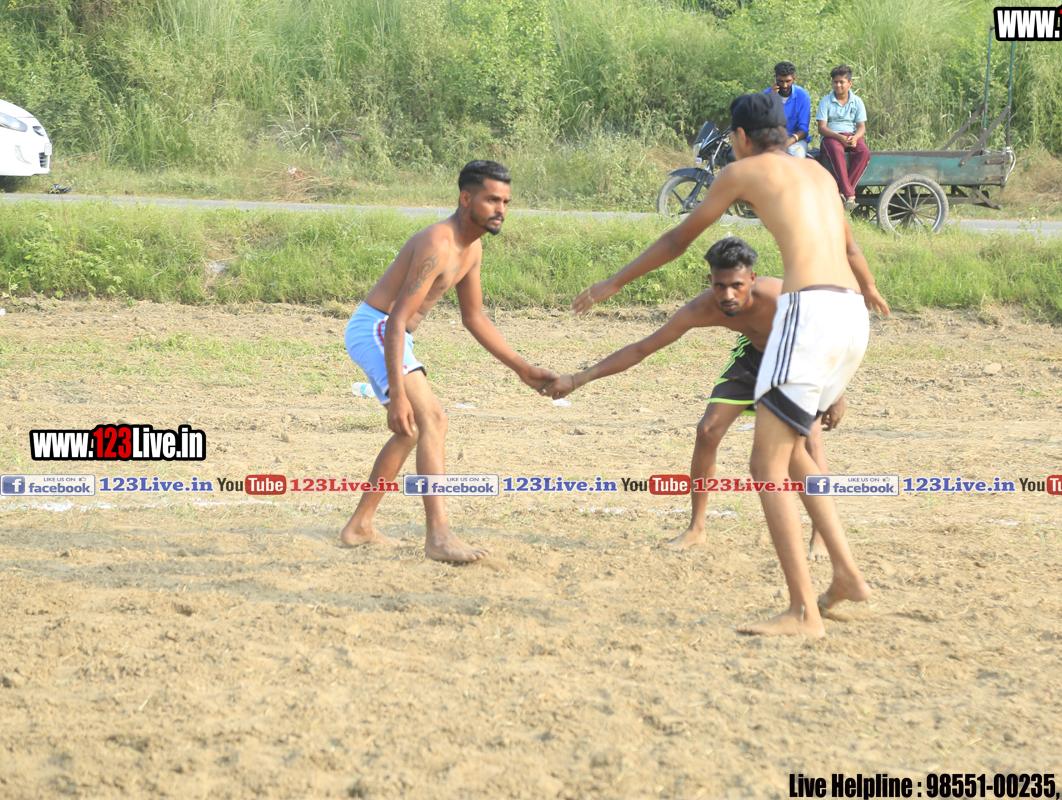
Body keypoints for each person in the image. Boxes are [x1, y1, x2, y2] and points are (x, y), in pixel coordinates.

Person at [572, 93, 889, 638]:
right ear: (785, 132)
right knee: (791, 454)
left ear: (740, 137)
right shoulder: (818, 171)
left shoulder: (742, 171)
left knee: (765, 466)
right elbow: (852, 248)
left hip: (808, 311)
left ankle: (803, 612)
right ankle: (846, 575)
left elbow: (678, 238)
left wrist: (614, 282)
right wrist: (872, 290)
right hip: (851, 312)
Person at [549, 236, 867, 557]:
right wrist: (577, 379)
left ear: (752, 278)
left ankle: (821, 534)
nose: (727, 295)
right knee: (708, 430)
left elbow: (834, 337)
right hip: (753, 359)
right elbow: (642, 349)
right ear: (710, 281)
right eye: (719, 286)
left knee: (810, 439)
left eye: (737, 285)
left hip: (799, 361)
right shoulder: (702, 308)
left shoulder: (783, 297)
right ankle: (697, 528)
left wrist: (837, 391)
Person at [341, 160, 557, 561]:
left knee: (412, 431)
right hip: (378, 328)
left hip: (390, 332)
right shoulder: (438, 244)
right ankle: (438, 536)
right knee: (433, 420)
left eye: (506, 202)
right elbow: (396, 320)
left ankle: (360, 526)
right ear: (466, 199)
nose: (501, 210)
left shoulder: (471, 248)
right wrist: (399, 395)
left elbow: (474, 318)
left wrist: (523, 369)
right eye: (492, 200)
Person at [816, 65, 870, 210]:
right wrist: (839, 137)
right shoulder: (826, 102)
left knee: (864, 152)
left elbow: (861, 127)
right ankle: (849, 194)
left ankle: (841, 192)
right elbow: (822, 128)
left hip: (851, 136)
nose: (838, 85)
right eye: (835, 82)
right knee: (836, 150)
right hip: (831, 137)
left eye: (842, 82)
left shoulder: (857, 101)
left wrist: (855, 137)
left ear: (849, 83)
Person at [764, 61, 812, 158]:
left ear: (794, 78)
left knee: (796, 155)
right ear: (775, 78)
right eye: (780, 81)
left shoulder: (802, 95)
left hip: (795, 141)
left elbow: (803, 130)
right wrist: (771, 100)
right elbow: (762, 124)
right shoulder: (766, 95)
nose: (784, 85)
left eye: (788, 81)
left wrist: (785, 144)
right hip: (772, 139)